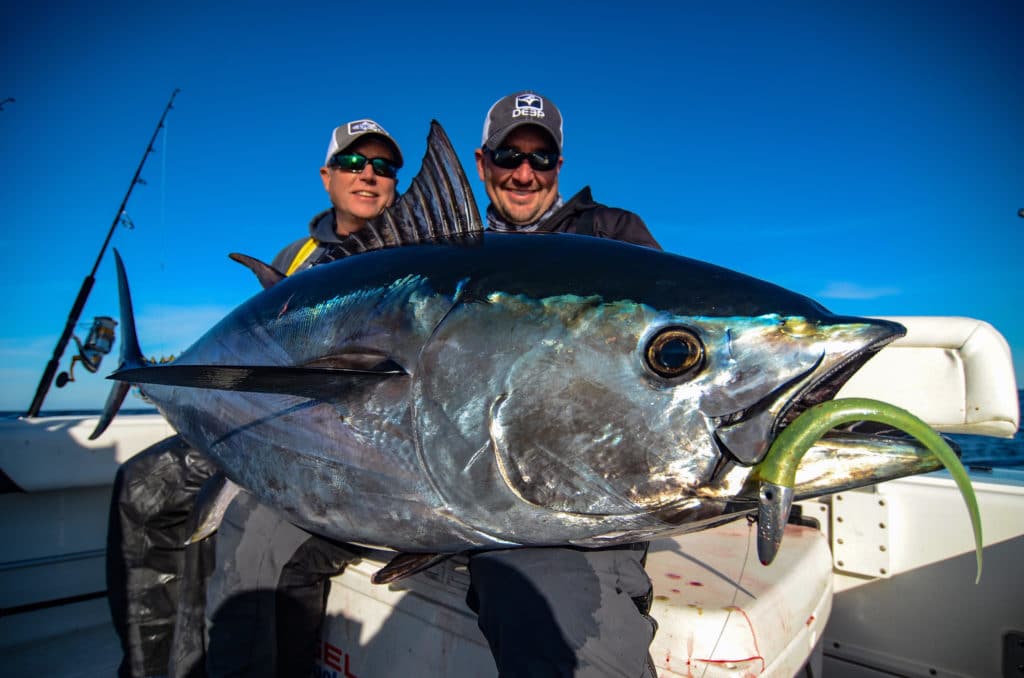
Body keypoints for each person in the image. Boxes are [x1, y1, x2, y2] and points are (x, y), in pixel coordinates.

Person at [466, 90, 662, 677]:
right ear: (482, 163)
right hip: (442, 474)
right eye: (508, 155)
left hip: (569, 498)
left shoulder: (613, 234)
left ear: (558, 167)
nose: (524, 173)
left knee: (565, 622)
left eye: (541, 159)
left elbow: (653, 378)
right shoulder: (447, 249)